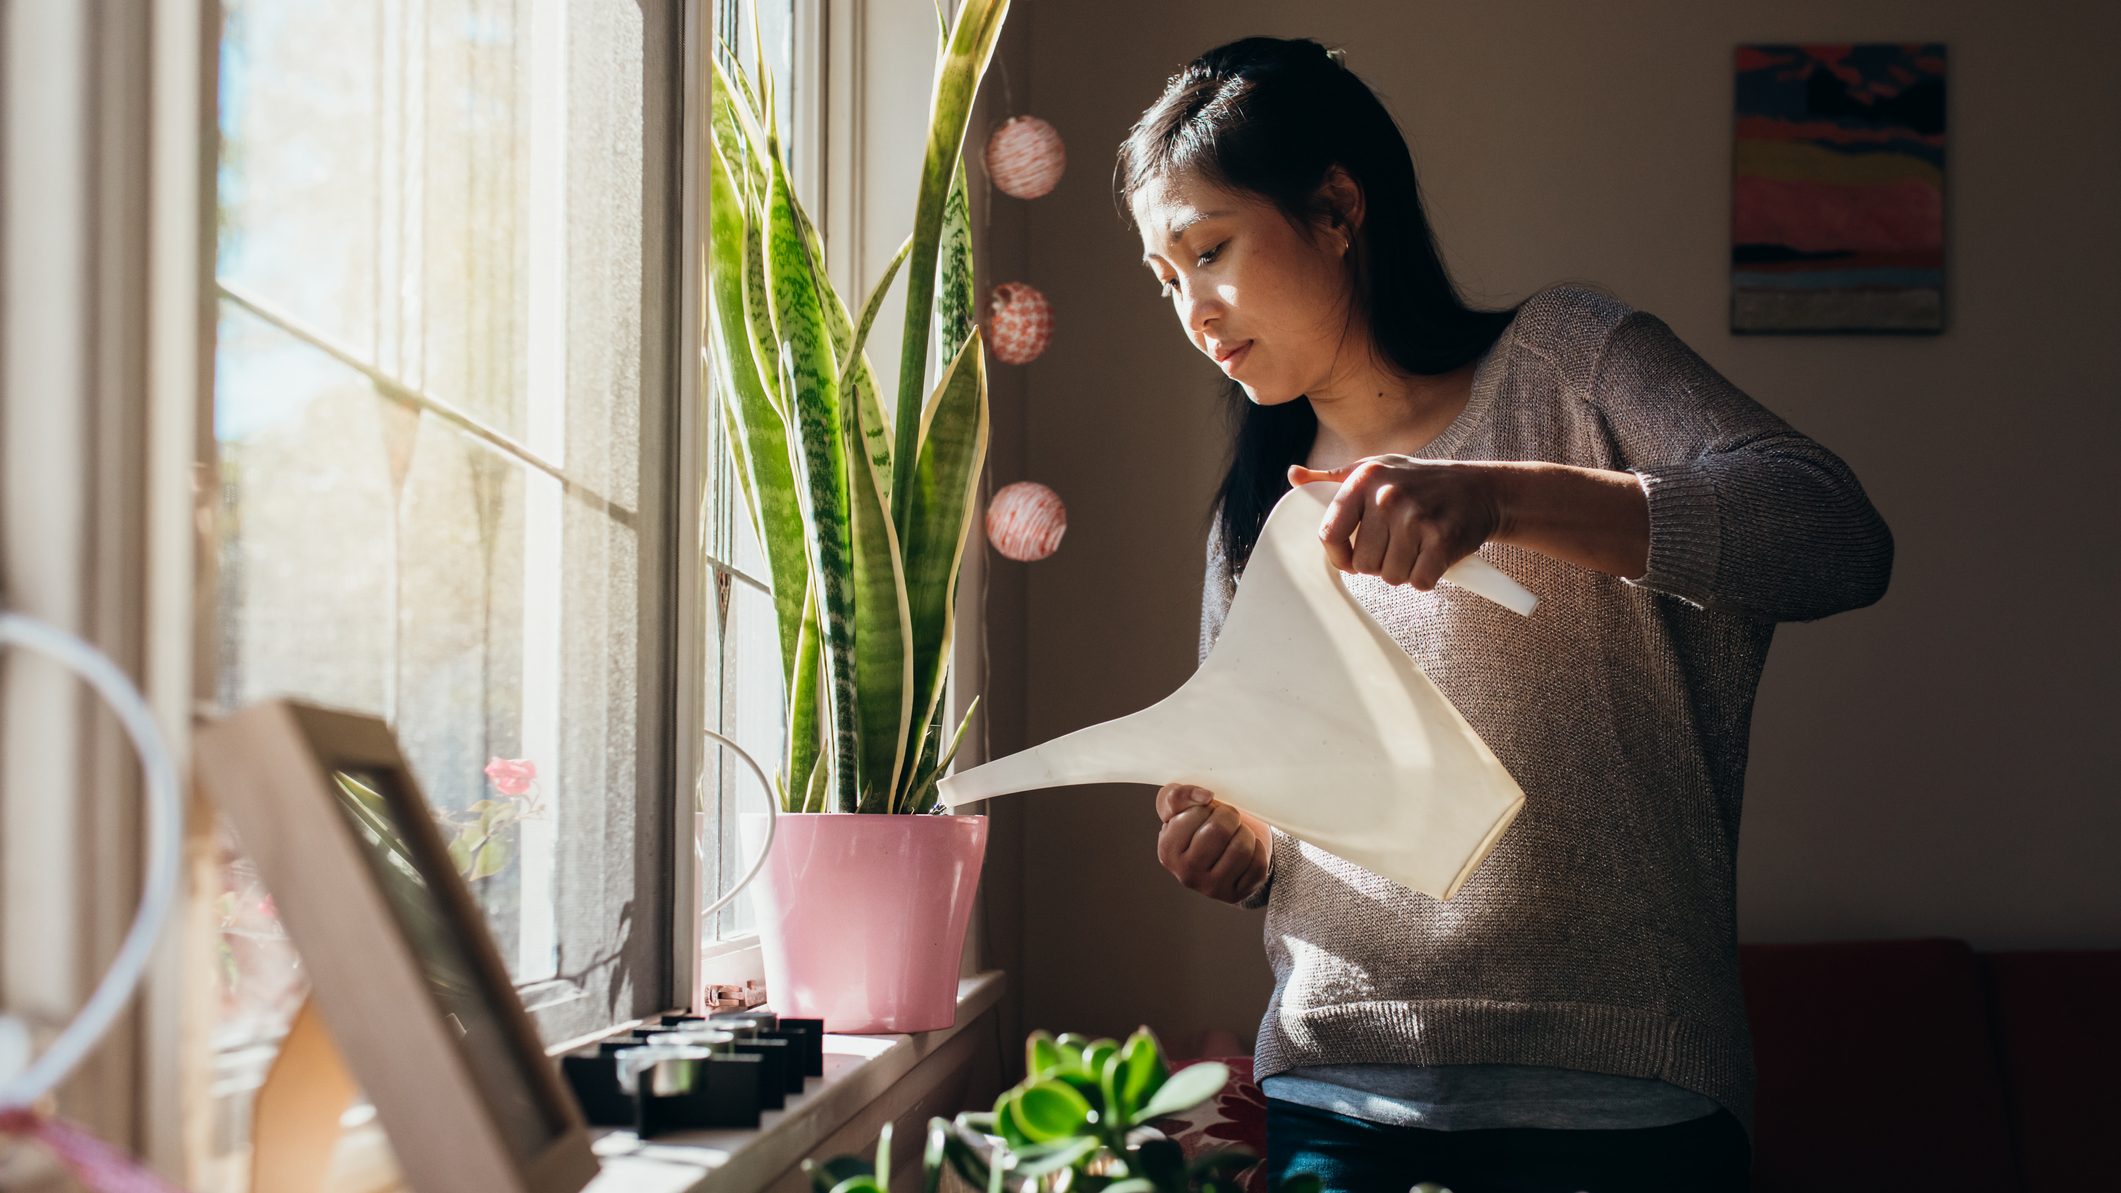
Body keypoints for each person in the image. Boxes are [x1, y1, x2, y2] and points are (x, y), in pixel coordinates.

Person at [1119, 36, 1893, 1193]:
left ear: (1337, 206)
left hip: (1623, 1097)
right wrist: (1238, 843)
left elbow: (1834, 531)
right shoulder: (1252, 513)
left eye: (1210, 250)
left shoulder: (1570, 362)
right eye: (1165, 278)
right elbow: (1268, 805)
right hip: (1335, 1092)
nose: (1193, 309)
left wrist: (1497, 496)